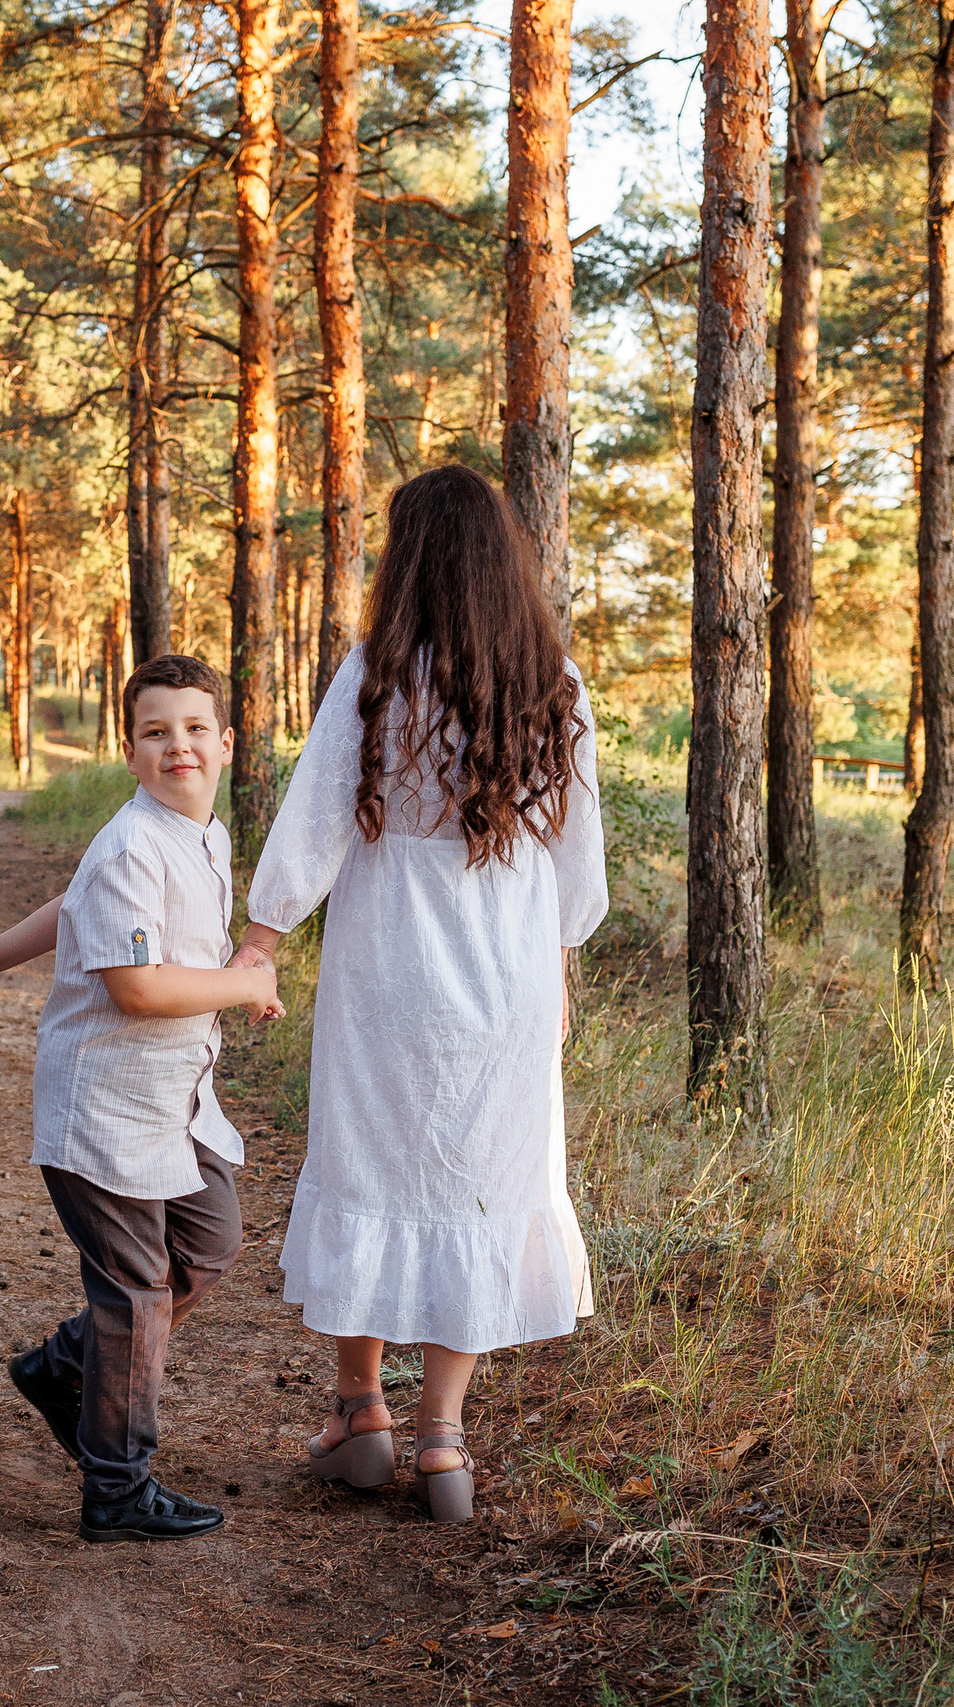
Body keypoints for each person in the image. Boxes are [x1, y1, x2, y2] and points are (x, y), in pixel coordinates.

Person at [232, 465, 607, 1523]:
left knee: (370, 1166)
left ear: (407, 562)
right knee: (479, 1183)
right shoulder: (556, 685)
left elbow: (312, 825)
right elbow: (576, 872)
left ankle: (360, 1408)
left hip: (390, 968)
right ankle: (441, 1434)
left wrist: (258, 940)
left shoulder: (376, 673)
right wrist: (559, 973)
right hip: (509, 971)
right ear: (503, 562)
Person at [0, 655, 283, 1541]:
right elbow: (135, 987)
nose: (179, 746)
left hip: (176, 1097)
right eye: (156, 732)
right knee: (137, 1290)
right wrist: (244, 983)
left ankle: (65, 1369)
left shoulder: (201, 834)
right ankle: (117, 1485)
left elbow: (76, 904)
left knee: (212, 1240)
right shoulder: (131, 840)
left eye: (196, 729)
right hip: (108, 1108)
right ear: (130, 750)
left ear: (227, 744)